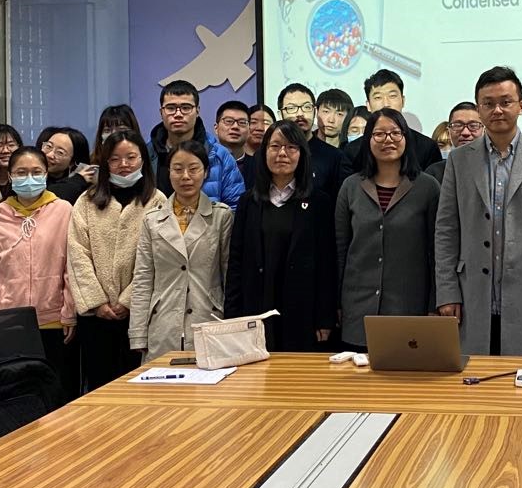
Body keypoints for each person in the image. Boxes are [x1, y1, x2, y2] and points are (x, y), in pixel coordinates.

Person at [434, 67, 522, 356]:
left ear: (521, 105)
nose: (497, 110)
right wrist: (447, 292)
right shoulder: (459, 160)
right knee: (474, 378)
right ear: (479, 109)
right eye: (488, 103)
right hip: (472, 295)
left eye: (505, 102)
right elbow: (446, 230)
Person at [0, 146, 79, 399]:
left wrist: (69, 312)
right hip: (7, 320)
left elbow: (71, 267)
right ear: (10, 175)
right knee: (14, 394)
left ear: (46, 174)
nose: (29, 178)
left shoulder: (64, 210)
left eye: (36, 172)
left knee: (54, 393)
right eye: (21, 172)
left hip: (52, 320)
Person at [334, 109, 441, 351]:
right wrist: (337, 302)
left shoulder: (428, 187)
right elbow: (340, 250)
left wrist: (434, 304)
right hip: (358, 308)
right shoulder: (350, 187)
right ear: (368, 139)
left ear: (406, 138)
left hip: (409, 307)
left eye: (395, 133)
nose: (388, 140)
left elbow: (436, 252)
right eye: (379, 134)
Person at [226, 121, 338, 350]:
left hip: (303, 308)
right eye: (275, 146)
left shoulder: (320, 202)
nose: (282, 153)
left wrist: (324, 317)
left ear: (302, 154)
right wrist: (233, 315)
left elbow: (327, 264)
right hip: (256, 304)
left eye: (291, 147)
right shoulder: (248, 202)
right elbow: (236, 262)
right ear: (264, 152)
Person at [67, 130, 163, 390]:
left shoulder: (157, 201)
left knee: (138, 386)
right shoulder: (86, 201)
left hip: (139, 313)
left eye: (131, 157)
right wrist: (97, 302)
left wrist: (128, 301)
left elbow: (159, 259)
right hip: (95, 317)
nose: (124, 165)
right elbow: (77, 254)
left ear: (143, 159)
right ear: (105, 163)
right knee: (100, 386)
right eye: (115, 159)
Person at [129, 138, 233, 359]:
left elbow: (229, 275)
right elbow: (143, 279)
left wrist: (232, 326)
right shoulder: (152, 220)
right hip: (163, 322)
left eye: (193, 169)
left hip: (209, 318)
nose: (186, 176)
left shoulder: (221, 217)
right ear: (169, 173)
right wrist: (138, 333)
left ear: (206, 172)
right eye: (178, 169)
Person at [148, 79, 246, 209]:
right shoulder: (146, 154)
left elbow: (236, 208)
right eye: (171, 108)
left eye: (186, 108)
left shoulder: (220, 156)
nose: (178, 114)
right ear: (161, 112)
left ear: (197, 111)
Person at [342, 70, 442, 170]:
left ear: (403, 101)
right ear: (368, 105)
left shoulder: (427, 147)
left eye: (392, 96)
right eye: (378, 97)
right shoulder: (353, 151)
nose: (386, 104)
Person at [277, 82, 352, 199]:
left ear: (314, 111)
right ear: (280, 114)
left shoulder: (335, 157)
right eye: (291, 108)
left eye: (307, 107)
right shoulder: (269, 154)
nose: (300, 114)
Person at [425, 102, 483, 185]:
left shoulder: (494, 169)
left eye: (473, 126)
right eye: (458, 125)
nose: (465, 132)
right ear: (449, 131)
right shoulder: (434, 173)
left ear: (484, 130)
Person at [36, 126, 91, 204]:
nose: (50, 155)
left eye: (60, 152)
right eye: (48, 146)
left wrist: (78, 180)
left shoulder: (80, 184)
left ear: (72, 162)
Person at [213, 99, 251, 164]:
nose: (235, 127)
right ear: (216, 128)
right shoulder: (204, 163)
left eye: (242, 122)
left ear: (249, 130)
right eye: (229, 121)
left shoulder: (258, 165)